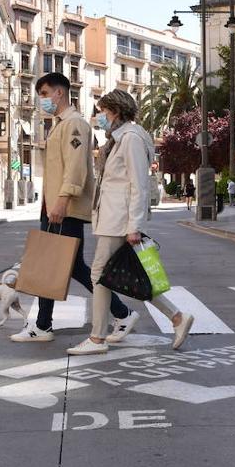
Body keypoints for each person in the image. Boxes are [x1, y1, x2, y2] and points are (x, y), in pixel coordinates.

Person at [11, 73, 137, 343]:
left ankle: (44, 326)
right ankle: (122, 313)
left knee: (52, 264)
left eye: (44, 93)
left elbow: (77, 166)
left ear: (59, 93)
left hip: (62, 208)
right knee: (72, 266)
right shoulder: (60, 125)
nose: (41, 99)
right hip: (54, 207)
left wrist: (63, 200)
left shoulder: (75, 124)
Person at [67, 90, 194, 355]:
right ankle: (177, 318)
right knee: (124, 276)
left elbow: (139, 185)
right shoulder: (118, 139)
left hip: (120, 219)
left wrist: (134, 226)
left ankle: (97, 338)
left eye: (102, 111)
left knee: (100, 274)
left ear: (115, 111)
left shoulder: (132, 138)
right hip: (112, 218)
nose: (99, 117)